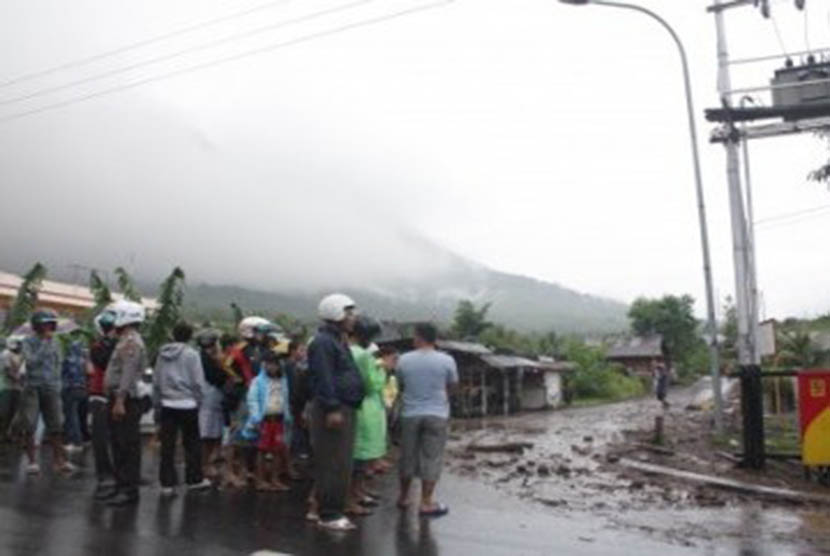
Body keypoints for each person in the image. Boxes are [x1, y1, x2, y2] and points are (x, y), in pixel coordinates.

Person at [307, 293, 365, 532]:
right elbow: (324, 377)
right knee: (333, 462)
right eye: (349, 313)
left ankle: (331, 509)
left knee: (341, 463)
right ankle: (329, 514)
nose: (353, 317)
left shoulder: (337, 340)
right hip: (334, 409)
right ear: (336, 313)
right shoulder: (323, 342)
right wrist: (332, 408)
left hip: (345, 407)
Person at [395, 322, 458, 518]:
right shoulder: (447, 360)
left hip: (410, 414)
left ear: (420, 337)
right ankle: (426, 502)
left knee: (407, 456)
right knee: (431, 458)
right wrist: (441, 399)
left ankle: (404, 497)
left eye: (414, 335)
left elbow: (400, 385)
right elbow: (452, 386)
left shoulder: (403, 360)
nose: (413, 339)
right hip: (437, 414)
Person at [153, 321, 211, 496]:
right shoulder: (192, 355)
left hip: (167, 403)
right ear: (190, 336)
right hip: (188, 403)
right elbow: (198, 382)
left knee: (167, 445)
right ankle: (194, 479)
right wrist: (199, 401)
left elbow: (156, 380)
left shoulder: (162, 354)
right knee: (192, 443)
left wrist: (158, 402)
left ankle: (167, 483)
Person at [16, 310, 74, 475]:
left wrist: (58, 384)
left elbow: (58, 363)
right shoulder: (28, 341)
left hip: (52, 387)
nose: (49, 326)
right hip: (32, 386)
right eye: (45, 323)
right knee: (29, 424)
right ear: (37, 325)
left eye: (51, 323)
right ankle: (32, 462)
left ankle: (59, 461)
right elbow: (31, 362)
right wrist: (43, 344)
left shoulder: (55, 342)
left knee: (56, 424)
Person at [104, 300, 149, 506]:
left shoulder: (131, 341)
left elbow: (128, 373)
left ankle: (129, 490)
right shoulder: (124, 339)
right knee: (117, 443)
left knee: (127, 444)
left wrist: (120, 400)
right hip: (118, 397)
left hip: (126, 399)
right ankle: (120, 484)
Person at [347, 317, 387, 515]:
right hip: (365, 407)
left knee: (358, 456)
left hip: (354, 405)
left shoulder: (345, 350)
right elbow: (373, 384)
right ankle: (351, 498)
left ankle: (357, 493)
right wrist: (382, 369)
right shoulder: (363, 355)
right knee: (359, 458)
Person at [244, 350, 290, 492]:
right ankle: (260, 480)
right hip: (265, 420)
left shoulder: (282, 381)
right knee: (262, 450)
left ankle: (275, 479)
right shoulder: (258, 381)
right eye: (269, 364)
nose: (272, 367)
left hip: (279, 419)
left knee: (277, 450)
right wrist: (256, 417)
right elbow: (252, 400)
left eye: (275, 365)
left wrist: (288, 416)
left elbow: (286, 400)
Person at [88, 310, 118, 500]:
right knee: (100, 440)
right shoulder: (98, 346)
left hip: (115, 395)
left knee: (117, 439)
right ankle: (105, 476)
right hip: (100, 395)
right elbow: (104, 362)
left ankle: (116, 475)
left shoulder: (118, 345)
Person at [196, 330, 226, 483]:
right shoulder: (205, 360)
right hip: (208, 400)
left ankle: (207, 463)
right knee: (206, 435)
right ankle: (204, 465)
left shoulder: (202, 357)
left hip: (210, 400)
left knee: (210, 434)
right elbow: (218, 378)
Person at [61, 330, 89, 453]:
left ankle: (75, 442)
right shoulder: (84, 361)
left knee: (71, 417)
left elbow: (61, 374)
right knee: (80, 416)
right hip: (83, 390)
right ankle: (83, 439)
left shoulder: (67, 360)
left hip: (70, 389)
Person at [0, 336, 24, 443]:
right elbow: (7, 370)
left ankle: (9, 434)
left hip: (17, 388)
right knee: (5, 412)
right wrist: (17, 378)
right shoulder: (6, 354)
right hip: (7, 387)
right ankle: (3, 434)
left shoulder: (20, 355)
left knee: (15, 413)